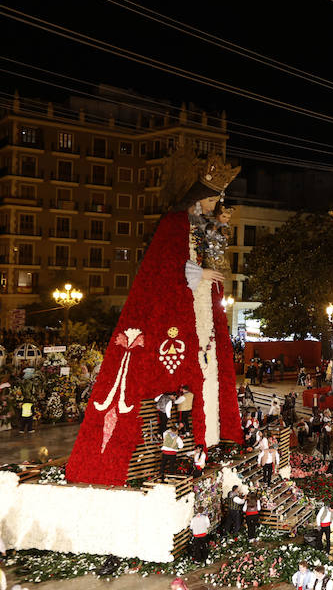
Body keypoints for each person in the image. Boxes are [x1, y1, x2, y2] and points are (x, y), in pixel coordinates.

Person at [66, 157, 244, 486]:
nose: (211, 206)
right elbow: (166, 268)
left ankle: (210, 438)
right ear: (194, 197)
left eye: (215, 201)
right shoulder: (174, 223)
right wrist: (201, 273)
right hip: (178, 312)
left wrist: (219, 227)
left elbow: (210, 251)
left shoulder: (198, 225)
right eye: (208, 200)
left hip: (201, 307)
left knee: (207, 369)